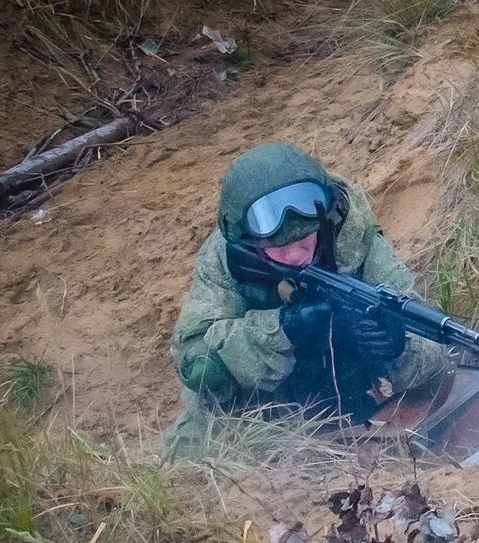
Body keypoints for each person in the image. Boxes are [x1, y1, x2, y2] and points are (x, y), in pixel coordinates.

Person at [162, 142, 452, 457]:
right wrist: (282, 329)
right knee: (185, 462)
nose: (295, 256)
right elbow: (197, 364)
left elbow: (433, 349)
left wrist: (397, 345)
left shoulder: (353, 238)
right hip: (255, 414)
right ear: (249, 242)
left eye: (303, 240)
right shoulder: (225, 260)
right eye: (278, 246)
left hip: (348, 402)